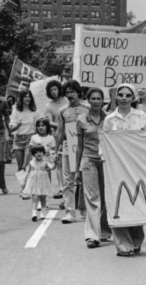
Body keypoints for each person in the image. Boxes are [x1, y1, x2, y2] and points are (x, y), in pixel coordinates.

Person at [104, 83, 146, 257]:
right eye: (120, 95)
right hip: (116, 167)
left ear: (134, 98)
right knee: (118, 204)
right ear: (116, 97)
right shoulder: (110, 119)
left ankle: (136, 240)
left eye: (127, 95)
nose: (123, 98)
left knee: (136, 201)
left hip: (137, 166)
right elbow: (104, 143)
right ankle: (123, 244)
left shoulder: (141, 116)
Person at [75, 88, 111, 249]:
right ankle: (92, 236)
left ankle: (104, 230)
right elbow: (79, 146)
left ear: (103, 101)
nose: (96, 101)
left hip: (106, 161)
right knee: (92, 197)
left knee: (105, 196)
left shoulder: (110, 119)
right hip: (88, 160)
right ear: (88, 100)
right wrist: (77, 169)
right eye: (93, 98)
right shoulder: (81, 120)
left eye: (99, 99)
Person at [55, 80, 89, 224]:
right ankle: (70, 211)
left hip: (85, 148)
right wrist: (55, 151)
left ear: (78, 92)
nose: (69, 95)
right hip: (68, 148)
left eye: (72, 92)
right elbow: (60, 132)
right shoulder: (62, 111)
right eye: (67, 93)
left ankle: (84, 209)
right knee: (68, 181)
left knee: (84, 180)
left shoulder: (88, 108)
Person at [44, 80, 68, 200]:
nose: (53, 92)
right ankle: (61, 188)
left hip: (70, 136)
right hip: (56, 137)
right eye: (51, 90)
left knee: (69, 163)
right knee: (58, 163)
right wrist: (62, 126)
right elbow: (49, 122)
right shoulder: (48, 106)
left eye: (55, 89)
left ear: (59, 89)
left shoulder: (67, 101)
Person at [21, 145, 56, 222]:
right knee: (34, 198)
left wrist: (56, 163)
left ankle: (43, 213)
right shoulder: (31, 163)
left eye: (40, 151)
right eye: (36, 152)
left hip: (43, 183)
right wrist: (24, 183)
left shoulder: (45, 162)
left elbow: (52, 167)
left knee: (43, 198)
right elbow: (27, 173)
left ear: (43, 153)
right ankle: (34, 213)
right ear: (33, 154)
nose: (38, 153)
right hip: (34, 183)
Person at [9, 89, 40, 172]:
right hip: (18, 139)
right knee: (20, 167)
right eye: (25, 96)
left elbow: (38, 126)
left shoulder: (35, 111)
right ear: (21, 98)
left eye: (29, 97)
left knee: (26, 165)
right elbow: (11, 129)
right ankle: (23, 185)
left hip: (30, 139)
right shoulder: (16, 111)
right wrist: (18, 125)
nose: (27, 98)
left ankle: (29, 185)